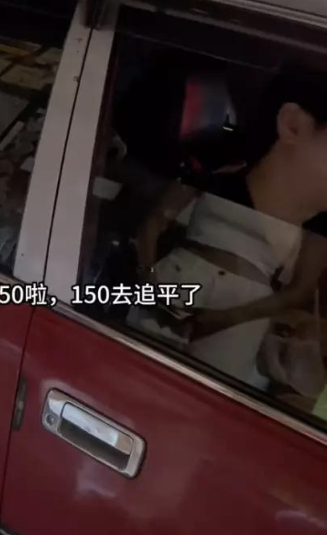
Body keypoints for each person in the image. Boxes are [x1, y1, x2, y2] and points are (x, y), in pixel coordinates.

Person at [130, 67, 327, 388]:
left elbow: (300, 290)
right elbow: (153, 222)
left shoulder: (319, 216)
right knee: (131, 375)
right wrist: (150, 280)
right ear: (293, 124)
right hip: (179, 279)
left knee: (198, 401)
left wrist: (229, 317)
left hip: (243, 313)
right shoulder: (224, 159)